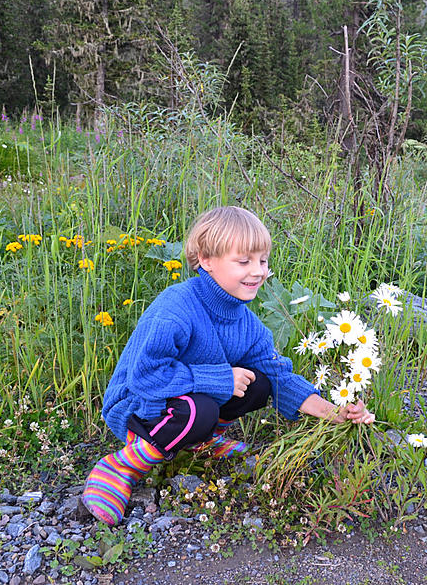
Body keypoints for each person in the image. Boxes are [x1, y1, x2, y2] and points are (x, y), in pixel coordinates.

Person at [82, 206, 375, 526]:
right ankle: (122, 467)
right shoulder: (176, 307)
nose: (259, 271)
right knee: (202, 409)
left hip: (185, 402)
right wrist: (219, 378)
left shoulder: (247, 324)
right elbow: (146, 377)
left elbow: (280, 379)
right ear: (206, 259)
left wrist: (335, 412)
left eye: (262, 260)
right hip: (138, 406)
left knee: (260, 383)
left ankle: (201, 441)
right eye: (244, 261)